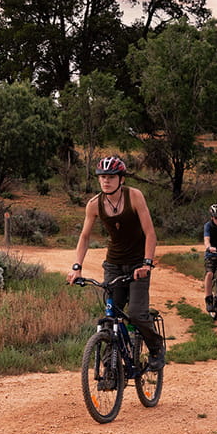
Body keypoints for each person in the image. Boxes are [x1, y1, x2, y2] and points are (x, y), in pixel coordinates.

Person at [67, 156, 164, 370]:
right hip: (113, 264)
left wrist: (147, 264)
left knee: (137, 314)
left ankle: (156, 347)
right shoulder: (94, 205)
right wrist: (77, 267)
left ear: (121, 178)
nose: (106, 181)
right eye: (102, 177)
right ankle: (110, 369)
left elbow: (150, 234)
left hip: (138, 264)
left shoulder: (135, 196)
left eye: (110, 177)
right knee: (111, 316)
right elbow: (84, 237)